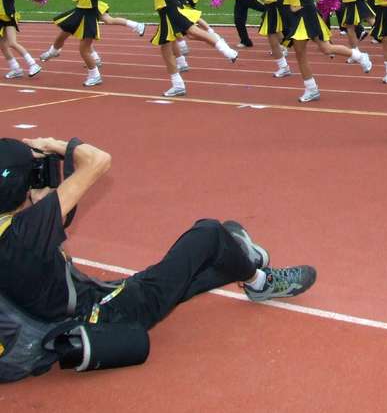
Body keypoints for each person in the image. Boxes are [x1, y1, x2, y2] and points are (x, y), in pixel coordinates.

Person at [0, 136, 317, 336]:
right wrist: (57, 145)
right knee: (208, 233)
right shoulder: (26, 232)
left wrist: (35, 198)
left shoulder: (15, 231)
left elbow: (48, 252)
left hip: (76, 313)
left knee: (201, 258)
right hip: (109, 313)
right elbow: (98, 160)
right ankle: (259, 282)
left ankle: (236, 253)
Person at [120, 0, 238, 97]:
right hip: (164, 14)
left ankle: (227, 51)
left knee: (194, 32)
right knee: (167, 47)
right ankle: (178, 85)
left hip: (171, 10)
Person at [265, 0, 373, 103]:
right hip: (295, 16)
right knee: (307, 52)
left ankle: (359, 56)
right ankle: (312, 88)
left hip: (307, 13)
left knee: (324, 49)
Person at [39, 0, 121, 87]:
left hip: (89, 14)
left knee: (83, 49)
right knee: (62, 34)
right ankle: (53, 52)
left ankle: (95, 76)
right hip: (79, 11)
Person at [0, 0, 42, 79]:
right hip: (1, 18)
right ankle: (16, 69)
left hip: (9, 17)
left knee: (12, 43)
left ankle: (33, 64)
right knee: (2, 45)